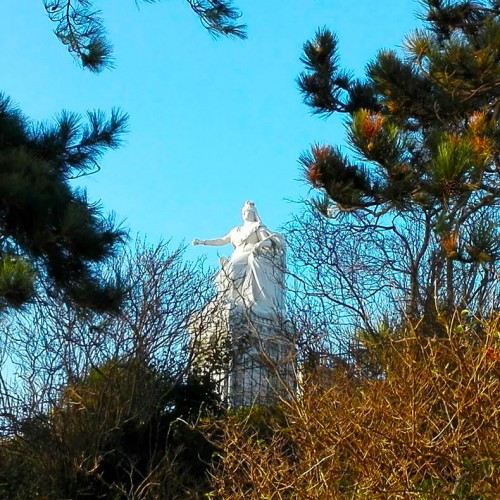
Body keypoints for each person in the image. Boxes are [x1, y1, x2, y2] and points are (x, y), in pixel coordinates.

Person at [193, 201, 285, 313]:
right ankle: (227, 299)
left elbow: (268, 242)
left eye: (247, 212)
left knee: (232, 268)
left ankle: (235, 300)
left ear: (253, 213)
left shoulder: (257, 227)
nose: (245, 214)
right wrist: (203, 242)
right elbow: (221, 240)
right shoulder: (236, 230)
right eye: (244, 212)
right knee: (223, 274)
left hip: (250, 253)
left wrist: (259, 244)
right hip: (237, 255)